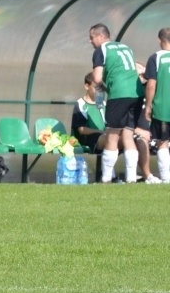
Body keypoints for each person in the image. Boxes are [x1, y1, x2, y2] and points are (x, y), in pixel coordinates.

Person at [89, 23, 141, 183]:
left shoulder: (101, 50)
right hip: (137, 93)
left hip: (119, 94)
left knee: (112, 136)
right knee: (128, 135)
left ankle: (105, 179)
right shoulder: (126, 47)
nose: (90, 41)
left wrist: (105, 88)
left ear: (101, 36)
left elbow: (96, 78)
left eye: (91, 37)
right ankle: (131, 178)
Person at [143, 27, 170, 183]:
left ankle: (166, 179)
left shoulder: (156, 58)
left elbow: (151, 85)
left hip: (163, 109)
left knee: (162, 143)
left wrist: (148, 106)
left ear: (160, 40)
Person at [71, 71, 107, 153]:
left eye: (101, 88)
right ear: (87, 86)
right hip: (87, 139)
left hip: (103, 136)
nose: (100, 91)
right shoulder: (80, 104)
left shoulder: (103, 104)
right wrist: (101, 132)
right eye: (96, 88)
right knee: (110, 140)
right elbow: (82, 130)